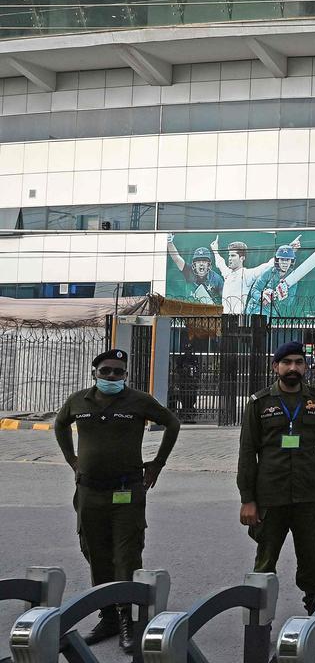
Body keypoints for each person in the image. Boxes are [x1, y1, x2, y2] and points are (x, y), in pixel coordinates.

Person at [53, 349, 181, 653]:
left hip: (127, 492)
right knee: (95, 553)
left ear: (125, 375)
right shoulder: (78, 401)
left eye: (118, 372)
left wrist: (158, 463)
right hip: (89, 492)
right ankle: (108, 616)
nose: (112, 376)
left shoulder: (138, 400)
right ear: (94, 372)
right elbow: (59, 424)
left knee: (126, 555)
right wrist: (71, 459)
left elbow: (172, 423)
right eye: (106, 371)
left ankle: (128, 619)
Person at [237, 341, 315, 608]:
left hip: (308, 495)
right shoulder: (259, 403)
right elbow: (247, 453)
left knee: (312, 564)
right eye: (287, 362)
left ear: (305, 367)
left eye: (298, 362)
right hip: (271, 496)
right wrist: (248, 499)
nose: (293, 368)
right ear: (276, 367)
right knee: (265, 562)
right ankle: (258, 623)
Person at [213, 236, 300, 315]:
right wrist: (215, 251)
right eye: (229, 255)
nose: (229, 259)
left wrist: (288, 249)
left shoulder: (247, 274)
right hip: (224, 316)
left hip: (238, 318)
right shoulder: (227, 273)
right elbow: (220, 263)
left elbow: (268, 265)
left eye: (233, 256)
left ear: (242, 258)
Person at [167, 234, 224, 305]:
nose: (201, 264)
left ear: (208, 264)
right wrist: (169, 242)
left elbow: (224, 298)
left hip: (211, 312)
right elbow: (177, 259)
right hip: (191, 311)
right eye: (198, 261)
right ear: (194, 264)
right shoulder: (189, 271)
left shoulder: (216, 279)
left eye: (204, 261)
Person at [246, 246, 303, 316]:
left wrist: (283, 296)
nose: (285, 263)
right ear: (277, 260)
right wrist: (262, 296)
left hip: (271, 312)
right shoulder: (269, 272)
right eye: (282, 259)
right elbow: (254, 290)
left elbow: (289, 302)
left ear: (291, 261)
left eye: (287, 260)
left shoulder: (292, 278)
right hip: (255, 308)